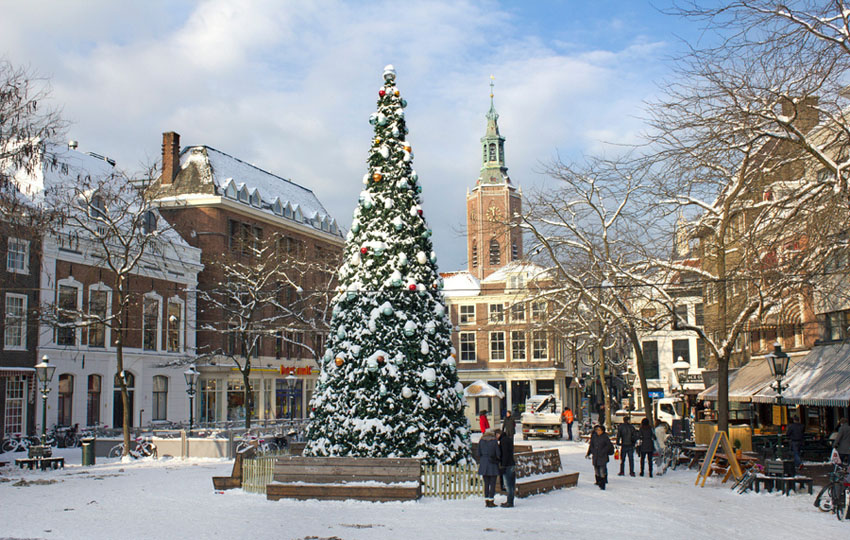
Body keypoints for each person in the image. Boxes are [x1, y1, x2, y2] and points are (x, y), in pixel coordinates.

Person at [586, 424, 615, 490]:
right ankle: (598, 481)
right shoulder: (594, 436)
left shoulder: (605, 437)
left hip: (602, 456)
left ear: (602, 431)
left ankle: (602, 484)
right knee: (596, 469)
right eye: (597, 430)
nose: (597, 431)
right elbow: (591, 445)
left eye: (599, 430)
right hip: (595, 455)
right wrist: (589, 452)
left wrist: (603, 451)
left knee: (602, 470)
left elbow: (608, 446)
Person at [477, 428, 501, 507]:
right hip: (492, 464)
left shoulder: (481, 441)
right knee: (493, 483)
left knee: (486, 483)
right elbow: (498, 453)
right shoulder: (494, 441)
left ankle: (486, 500)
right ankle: (491, 500)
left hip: (484, 463)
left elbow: (478, 453)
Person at [498, 429, 516, 507]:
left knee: (508, 484)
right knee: (511, 484)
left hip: (507, 465)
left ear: (498, 434)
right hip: (512, 463)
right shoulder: (508, 439)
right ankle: (510, 500)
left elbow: (505, 454)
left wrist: (503, 465)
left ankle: (509, 502)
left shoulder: (503, 441)